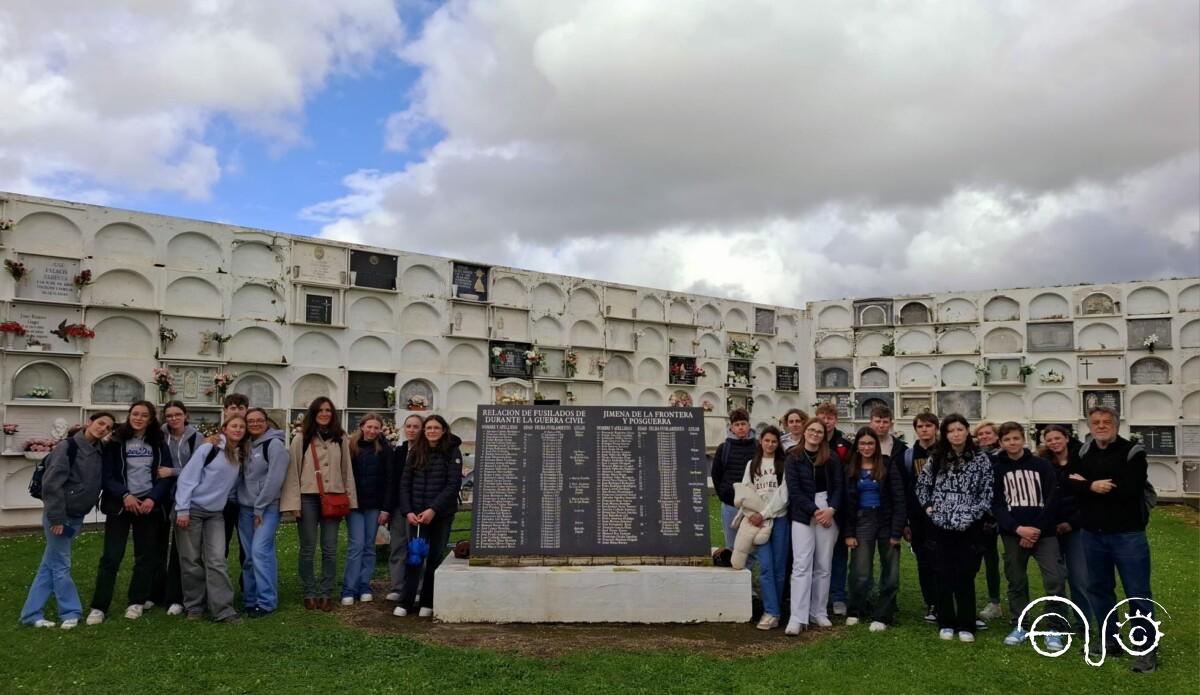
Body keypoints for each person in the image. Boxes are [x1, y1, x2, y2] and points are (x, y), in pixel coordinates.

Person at [1068, 406, 1158, 673]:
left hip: (1127, 535)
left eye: (1107, 421)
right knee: (1099, 589)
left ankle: (1145, 648)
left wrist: (1086, 484)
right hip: (1092, 535)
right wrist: (1092, 486)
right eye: (1096, 422)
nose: (1101, 425)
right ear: (1089, 426)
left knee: (1137, 593)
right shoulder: (1083, 451)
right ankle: (1110, 639)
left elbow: (1129, 490)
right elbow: (1069, 483)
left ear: (1117, 425)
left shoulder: (1133, 452)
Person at [20, 413, 114, 628]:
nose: (103, 429)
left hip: (76, 514)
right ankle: (70, 611)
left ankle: (31, 614)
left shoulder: (100, 450)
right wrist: (56, 518)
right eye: (100, 423)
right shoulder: (68, 447)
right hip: (60, 515)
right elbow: (52, 484)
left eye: (107, 427)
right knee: (61, 564)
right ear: (89, 423)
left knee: (49, 565)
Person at [87, 401, 173, 625]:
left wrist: (153, 498)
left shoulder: (158, 442)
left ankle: (136, 601)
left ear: (151, 419)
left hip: (147, 505)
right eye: (135, 414)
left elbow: (165, 476)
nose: (138, 418)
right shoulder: (115, 441)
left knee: (145, 557)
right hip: (121, 505)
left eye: (144, 415)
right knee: (111, 556)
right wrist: (125, 495)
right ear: (129, 416)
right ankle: (99, 606)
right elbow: (108, 475)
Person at [916, 413, 993, 643]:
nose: (956, 434)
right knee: (942, 573)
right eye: (951, 431)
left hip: (968, 526)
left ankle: (967, 623)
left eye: (960, 429)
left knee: (965, 574)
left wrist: (972, 515)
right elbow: (922, 486)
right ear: (945, 434)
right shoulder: (937, 457)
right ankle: (946, 621)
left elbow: (987, 492)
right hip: (940, 524)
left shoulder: (980, 459)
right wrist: (930, 509)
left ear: (967, 431)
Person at [991, 422, 1066, 650]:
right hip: (1014, 534)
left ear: (1023, 439)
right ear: (1001, 443)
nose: (1012, 443)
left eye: (1015, 438)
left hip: (1044, 533)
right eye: (1007, 440)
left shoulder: (1041, 465)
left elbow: (1052, 499)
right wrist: (1017, 529)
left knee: (1054, 578)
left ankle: (1054, 627)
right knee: (1016, 579)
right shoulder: (997, 468)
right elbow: (997, 504)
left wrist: (1034, 530)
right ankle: (1021, 623)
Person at [282, 397, 358, 610]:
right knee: (307, 548)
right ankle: (309, 591)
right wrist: (293, 503)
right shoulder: (301, 438)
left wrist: (350, 499)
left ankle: (326, 592)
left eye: (328, 410)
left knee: (330, 548)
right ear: (313, 413)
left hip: (333, 497)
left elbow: (346, 470)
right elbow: (293, 472)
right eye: (320, 410)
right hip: (308, 498)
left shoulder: (340, 438)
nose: (325, 413)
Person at [832, 406, 907, 617]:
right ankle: (856, 609)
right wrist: (848, 533)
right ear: (857, 446)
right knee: (860, 571)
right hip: (861, 520)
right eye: (863, 443)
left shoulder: (887, 464)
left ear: (876, 445)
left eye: (871, 443)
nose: (866, 447)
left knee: (890, 573)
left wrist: (896, 531)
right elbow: (847, 503)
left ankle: (885, 613)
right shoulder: (851, 468)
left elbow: (899, 499)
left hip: (885, 519)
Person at [174, 416, 249, 624]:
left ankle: (222, 609)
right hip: (192, 509)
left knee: (217, 559)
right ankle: (194, 606)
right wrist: (182, 509)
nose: (238, 429)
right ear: (224, 428)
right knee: (191, 560)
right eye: (234, 425)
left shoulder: (239, 453)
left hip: (215, 513)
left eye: (242, 427)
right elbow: (187, 478)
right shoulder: (210, 449)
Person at [395, 415, 463, 618]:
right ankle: (406, 601)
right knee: (415, 556)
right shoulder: (416, 451)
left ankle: (427, 600)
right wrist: (408, 511)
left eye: (436, 428)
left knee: (434, 557)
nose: (432, 431)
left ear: (443, 430)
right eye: (428, 428)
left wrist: (433, 509)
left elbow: (453, 485)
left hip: (440, 514)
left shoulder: (452, 452)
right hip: (417, 514)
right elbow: (404, 483)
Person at [784, 419, 843, 635]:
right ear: (805, 432)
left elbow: (839, 486)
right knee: (801, 565)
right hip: (803, 513)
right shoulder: (793, 457)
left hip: (828, 511)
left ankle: (819, 612)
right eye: (811, 430)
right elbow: (795, 489)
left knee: (823, 565)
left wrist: (832, 509)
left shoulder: (832, 458)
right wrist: (814, 511)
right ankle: (797, 616)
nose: (815, 434)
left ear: (823, 435)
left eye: (819, 431)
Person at [1038, 424, 1092, 634]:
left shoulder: (1082, 461)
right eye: (1049, 439)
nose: (1053, 442)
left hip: (1076, 527)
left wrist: (1071, 522)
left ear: (1067, 438)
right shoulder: (1044, 464)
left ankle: (1083, 622)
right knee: (1056, 578)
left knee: (1079, 577)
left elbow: (1089, 496)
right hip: (1052, 528)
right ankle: (1059, 620)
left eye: (1057, 438)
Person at [237, 408, 289, 617]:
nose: (255, 424)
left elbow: (275, 480)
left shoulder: (274, 445)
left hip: (267, 508)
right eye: (251, 421)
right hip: (245, 507)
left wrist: (260, 506)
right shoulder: (246, 444)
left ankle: (267, 601)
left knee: (261, 551)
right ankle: (250, 599)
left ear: (267, 422)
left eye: (260, 420)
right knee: (249, 556)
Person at [738, 426, 789, 630]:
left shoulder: (784, 464)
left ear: (778, 443)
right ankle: (770, 611)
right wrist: (753, 514)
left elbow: (783, 495)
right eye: (767, 441)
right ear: (761, 441)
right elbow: (745, 491)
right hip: (758, 521)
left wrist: (765, 513)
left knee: (778, 568)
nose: (770, 444)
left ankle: (777, 610)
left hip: (778, 519)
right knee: (765, 567)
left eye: (774, 441)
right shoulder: (752, 464)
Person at [342, 413, 392, 605]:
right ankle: (349, 588)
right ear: (362, 426)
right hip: (354, 505)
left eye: (376, 428)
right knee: (356, 546)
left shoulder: (384, 449)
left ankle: (364, 585)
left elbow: (390, 479)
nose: (372, 431)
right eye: (369, 427)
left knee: (369, 547)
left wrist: (386, 508)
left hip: (374, 504)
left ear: (380, 430)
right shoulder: (350, 446)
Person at [157, 401, 201, 615]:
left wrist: (172, 472)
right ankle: (155, 593)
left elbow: (198, 468)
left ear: (186, 415)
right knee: (156, 545)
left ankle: (177, 596)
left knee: (179, 548)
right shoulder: (159, 435)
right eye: (169, 415)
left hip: (186, 498)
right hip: (161, 495)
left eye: (177, 414)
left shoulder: (196, 438)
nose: (173, 419)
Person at [902, 412, 940, 623]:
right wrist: (906, 521)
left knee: (944, 559)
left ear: (936, 428)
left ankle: (947, 599)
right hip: (918, 517)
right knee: (924, 561)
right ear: (915, 430)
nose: (924, 430)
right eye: (920, 426)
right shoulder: (909, 455)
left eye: (928, 426)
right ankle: (932, 603)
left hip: (943, 515)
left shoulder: (945, 452)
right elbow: (907, 488)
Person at [815, 402, 852, 615]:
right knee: (816, 553)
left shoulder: (844, 443)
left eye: (830, 418)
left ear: (835, 420)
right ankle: (819, 594)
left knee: (838, 552)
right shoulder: (811, 439)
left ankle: (838, 596)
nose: (826, 421)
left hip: (840, 503)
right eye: (822, 417)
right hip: (817, 506)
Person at [383, 414, 423, 602]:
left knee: (417, 548)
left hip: (419, 508)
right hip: (399, 507)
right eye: (409, 426)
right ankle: (398, 587)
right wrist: (388, 507)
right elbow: (392, 480)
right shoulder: (399, 452)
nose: (412, 430)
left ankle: (417, 589)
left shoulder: (428, 451)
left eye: (416, 426)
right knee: (398, 546)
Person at [710, 409, 758, 554]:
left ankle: (748, 575)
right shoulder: (724, 448)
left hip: (753, 505)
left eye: (743, 424)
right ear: (731, 428)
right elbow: (716, 474)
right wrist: (723, 495)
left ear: (749, 425)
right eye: (737, 424)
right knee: (732, 545)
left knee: (753, 545)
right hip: (731, 504)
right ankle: (734, 574)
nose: (740, 427)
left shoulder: (758, 446)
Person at [974, 420, 1004, 622]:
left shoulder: (1002, 456)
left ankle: (999, 602)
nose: (984, 437)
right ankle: (991, 601)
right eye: (981, 434)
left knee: (998, 560)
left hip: (1000, 514)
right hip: (981, 515)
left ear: (996, 436)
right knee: (982, 558)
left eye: (988, 433)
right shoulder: (976, 456)